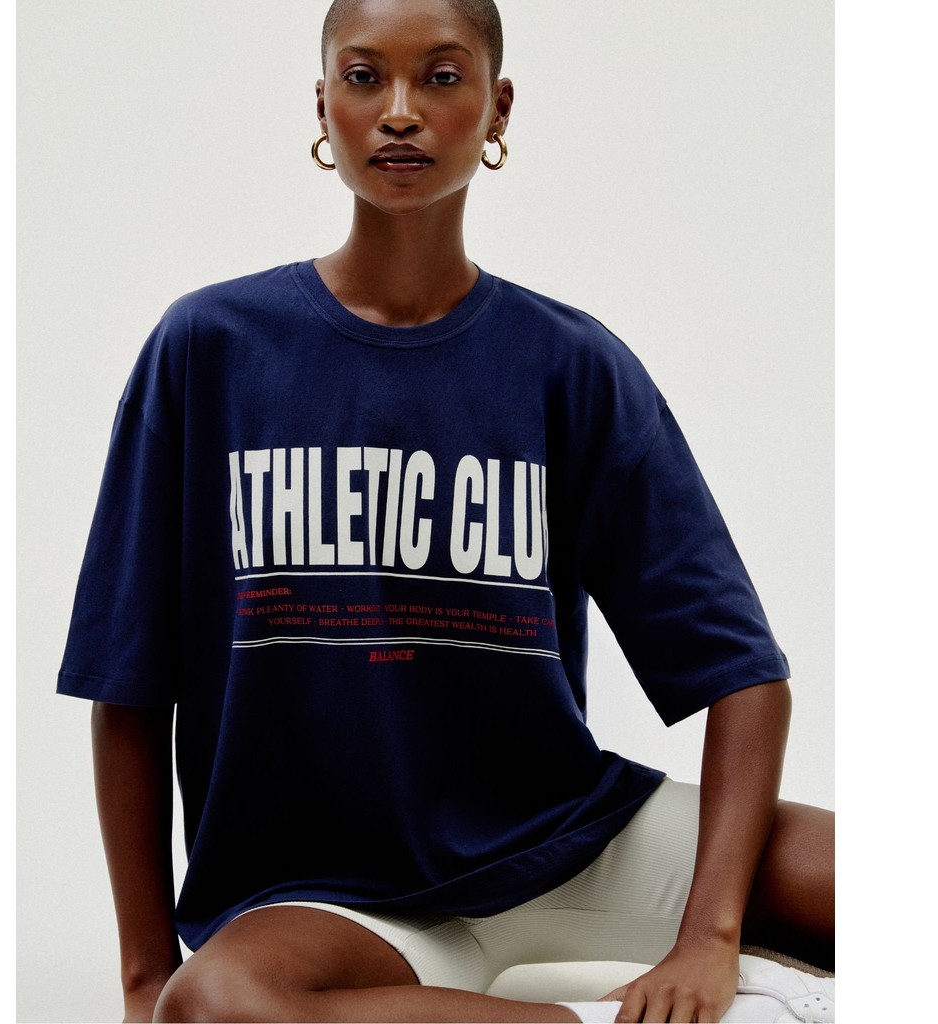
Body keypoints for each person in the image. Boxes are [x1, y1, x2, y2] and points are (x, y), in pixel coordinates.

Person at [57, 0, 835, 1021]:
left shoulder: (569, 365)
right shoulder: (210, 349)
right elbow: (127, 685)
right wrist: (143, 979)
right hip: (337, 902)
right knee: (219, 1006)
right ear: (323, 104)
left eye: (440, 76)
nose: (399, 111)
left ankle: (747, 983)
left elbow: (743, 677)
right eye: (364, 77)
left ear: (496, 107)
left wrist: (708, 938)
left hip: (569, 841)